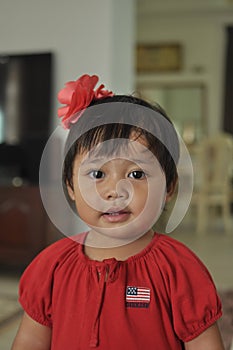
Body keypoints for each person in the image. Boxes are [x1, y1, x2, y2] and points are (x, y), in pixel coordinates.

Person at [11, 74, 224, 350]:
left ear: (169, 187)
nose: (115, 190)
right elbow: (29, 340)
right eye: (98, 173)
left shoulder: (180, 269)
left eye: (136, 174)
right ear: (71, 187)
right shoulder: (50, 267)